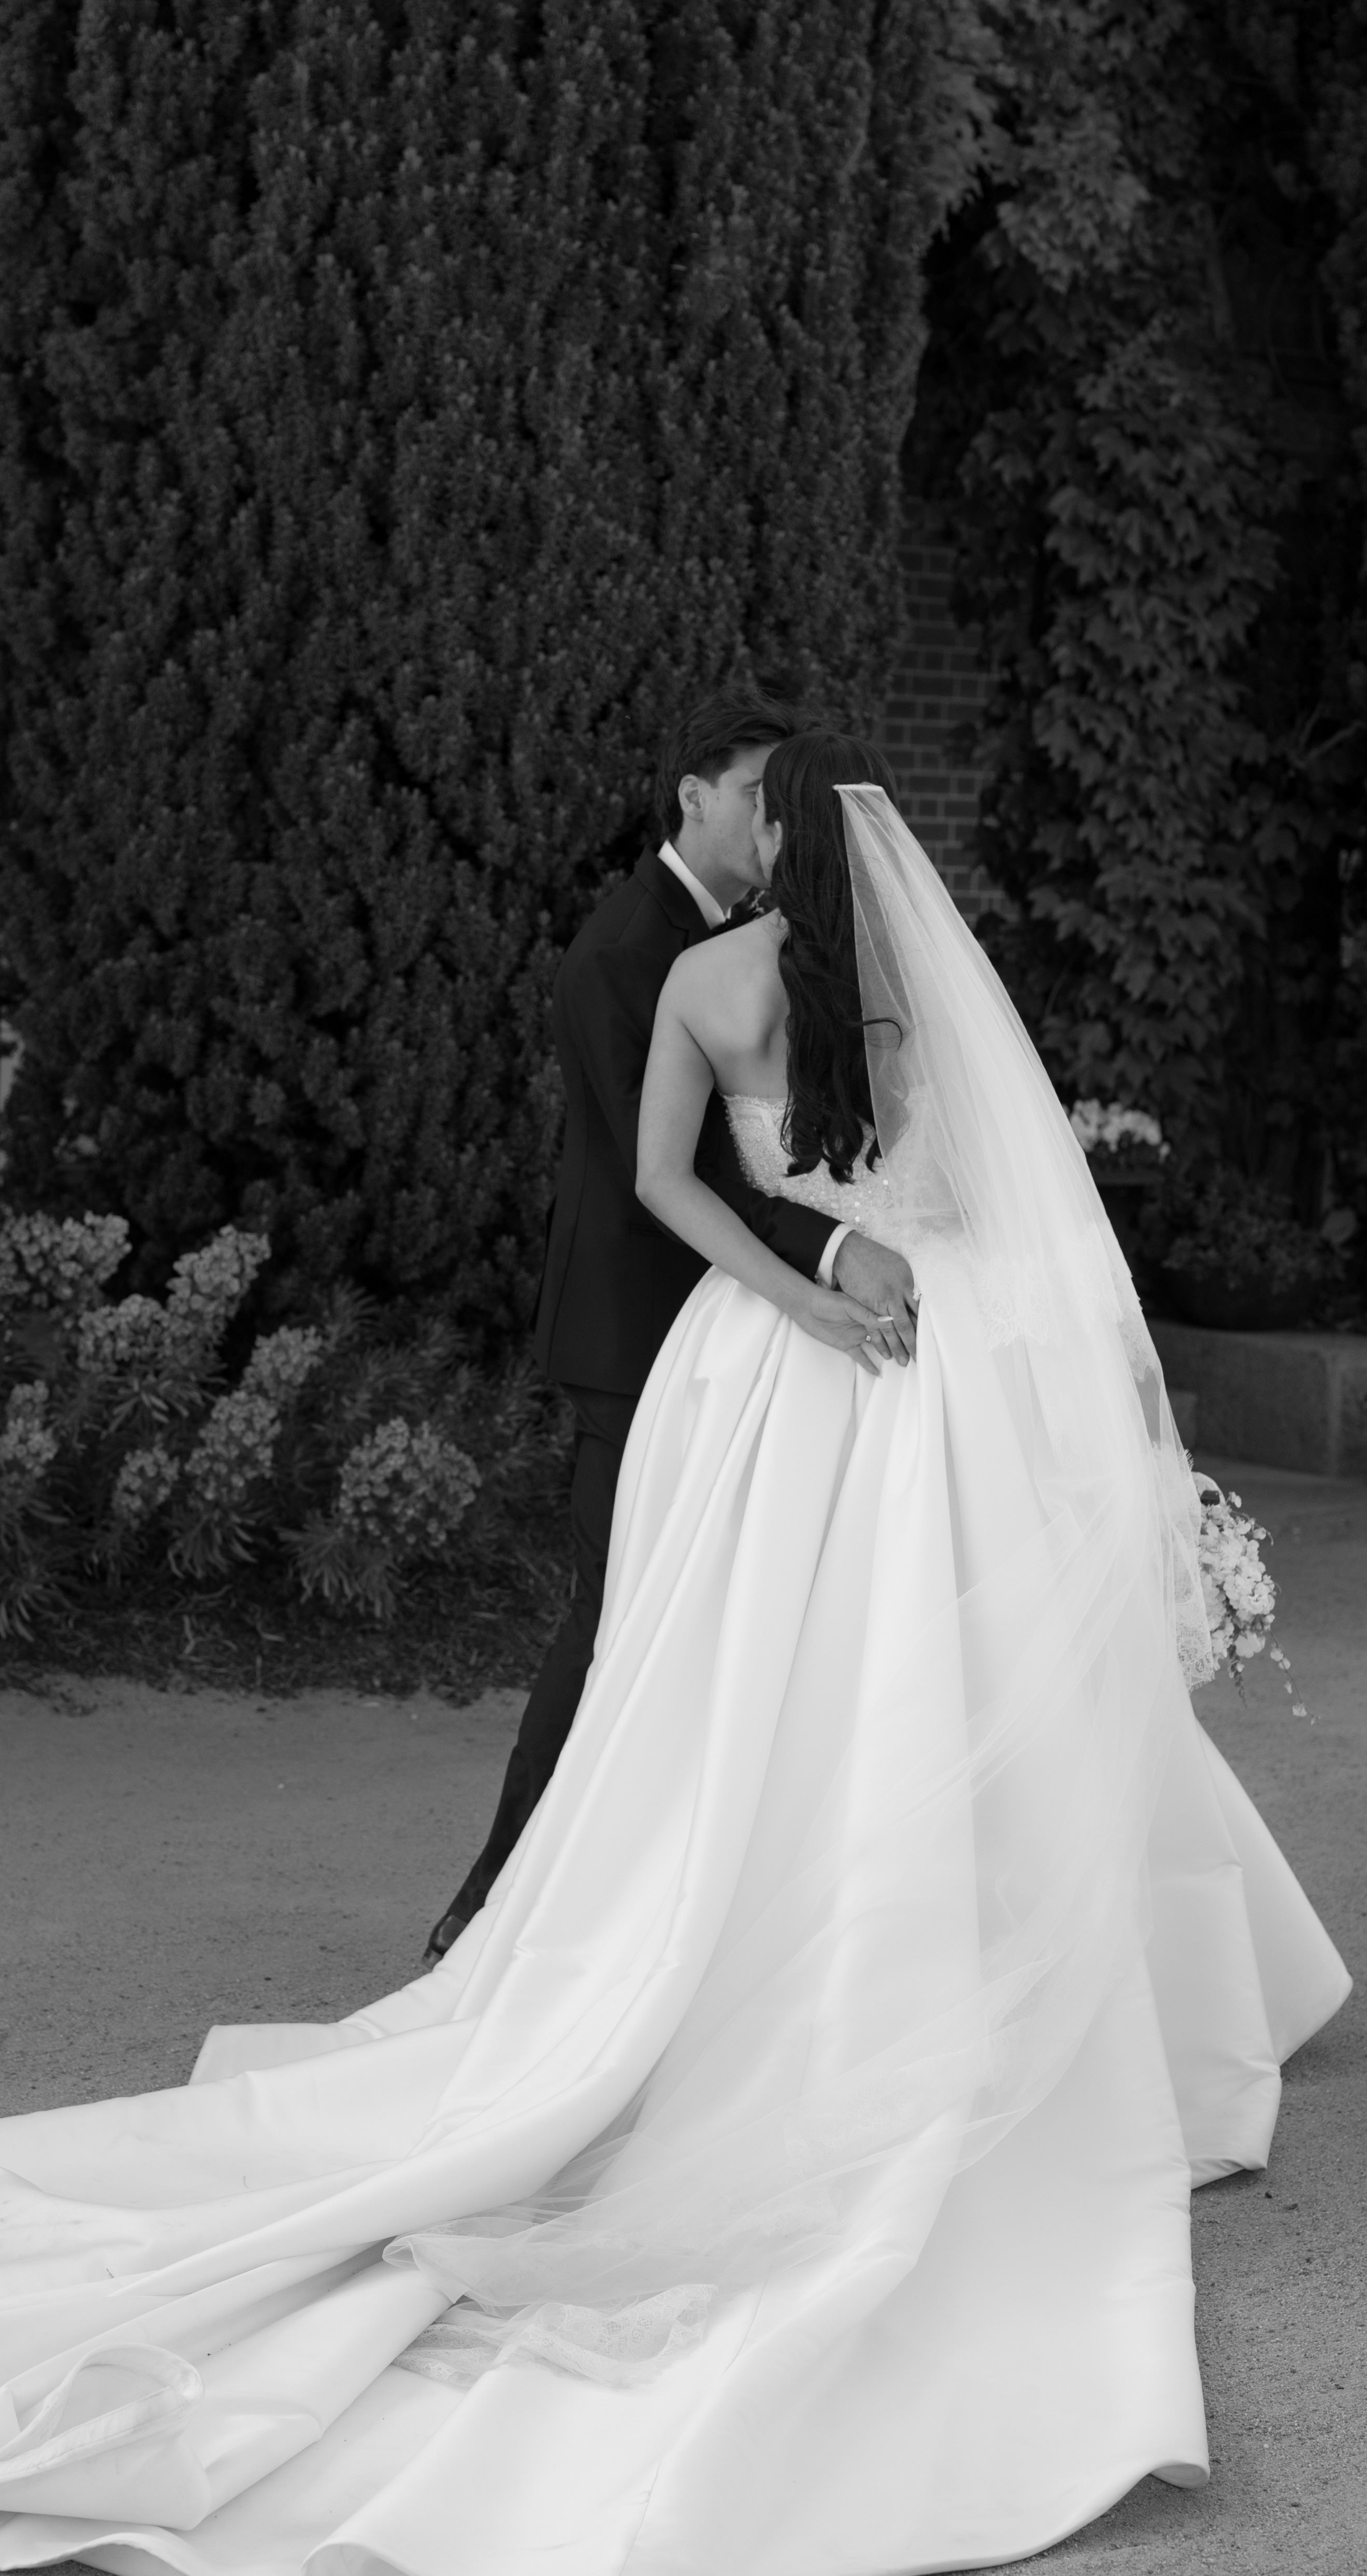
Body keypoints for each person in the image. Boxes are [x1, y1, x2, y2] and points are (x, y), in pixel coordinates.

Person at [0, 738, 1349, 2576]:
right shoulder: (901, 987)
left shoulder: (710, 977)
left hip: (772, 1359)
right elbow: (972, 1193)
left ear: (768, 828)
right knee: (911, 1669)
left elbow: (663, 1182)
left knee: (734, 1680)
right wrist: (898, 1287)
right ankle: (934, 1960)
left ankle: (728, 1936)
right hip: (923, 1349)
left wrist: (801, 1294)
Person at [423, 688, 915, 1964]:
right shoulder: (622, 954)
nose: (770, 817)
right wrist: (835, 1257)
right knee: (616, 1615)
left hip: (763, 1319)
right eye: (754, 793)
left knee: (750, 1622)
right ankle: (497, 1896)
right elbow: (686, 1168)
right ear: (695, 799)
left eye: (781, 800)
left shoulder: (772, 941)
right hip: (643, 1332)